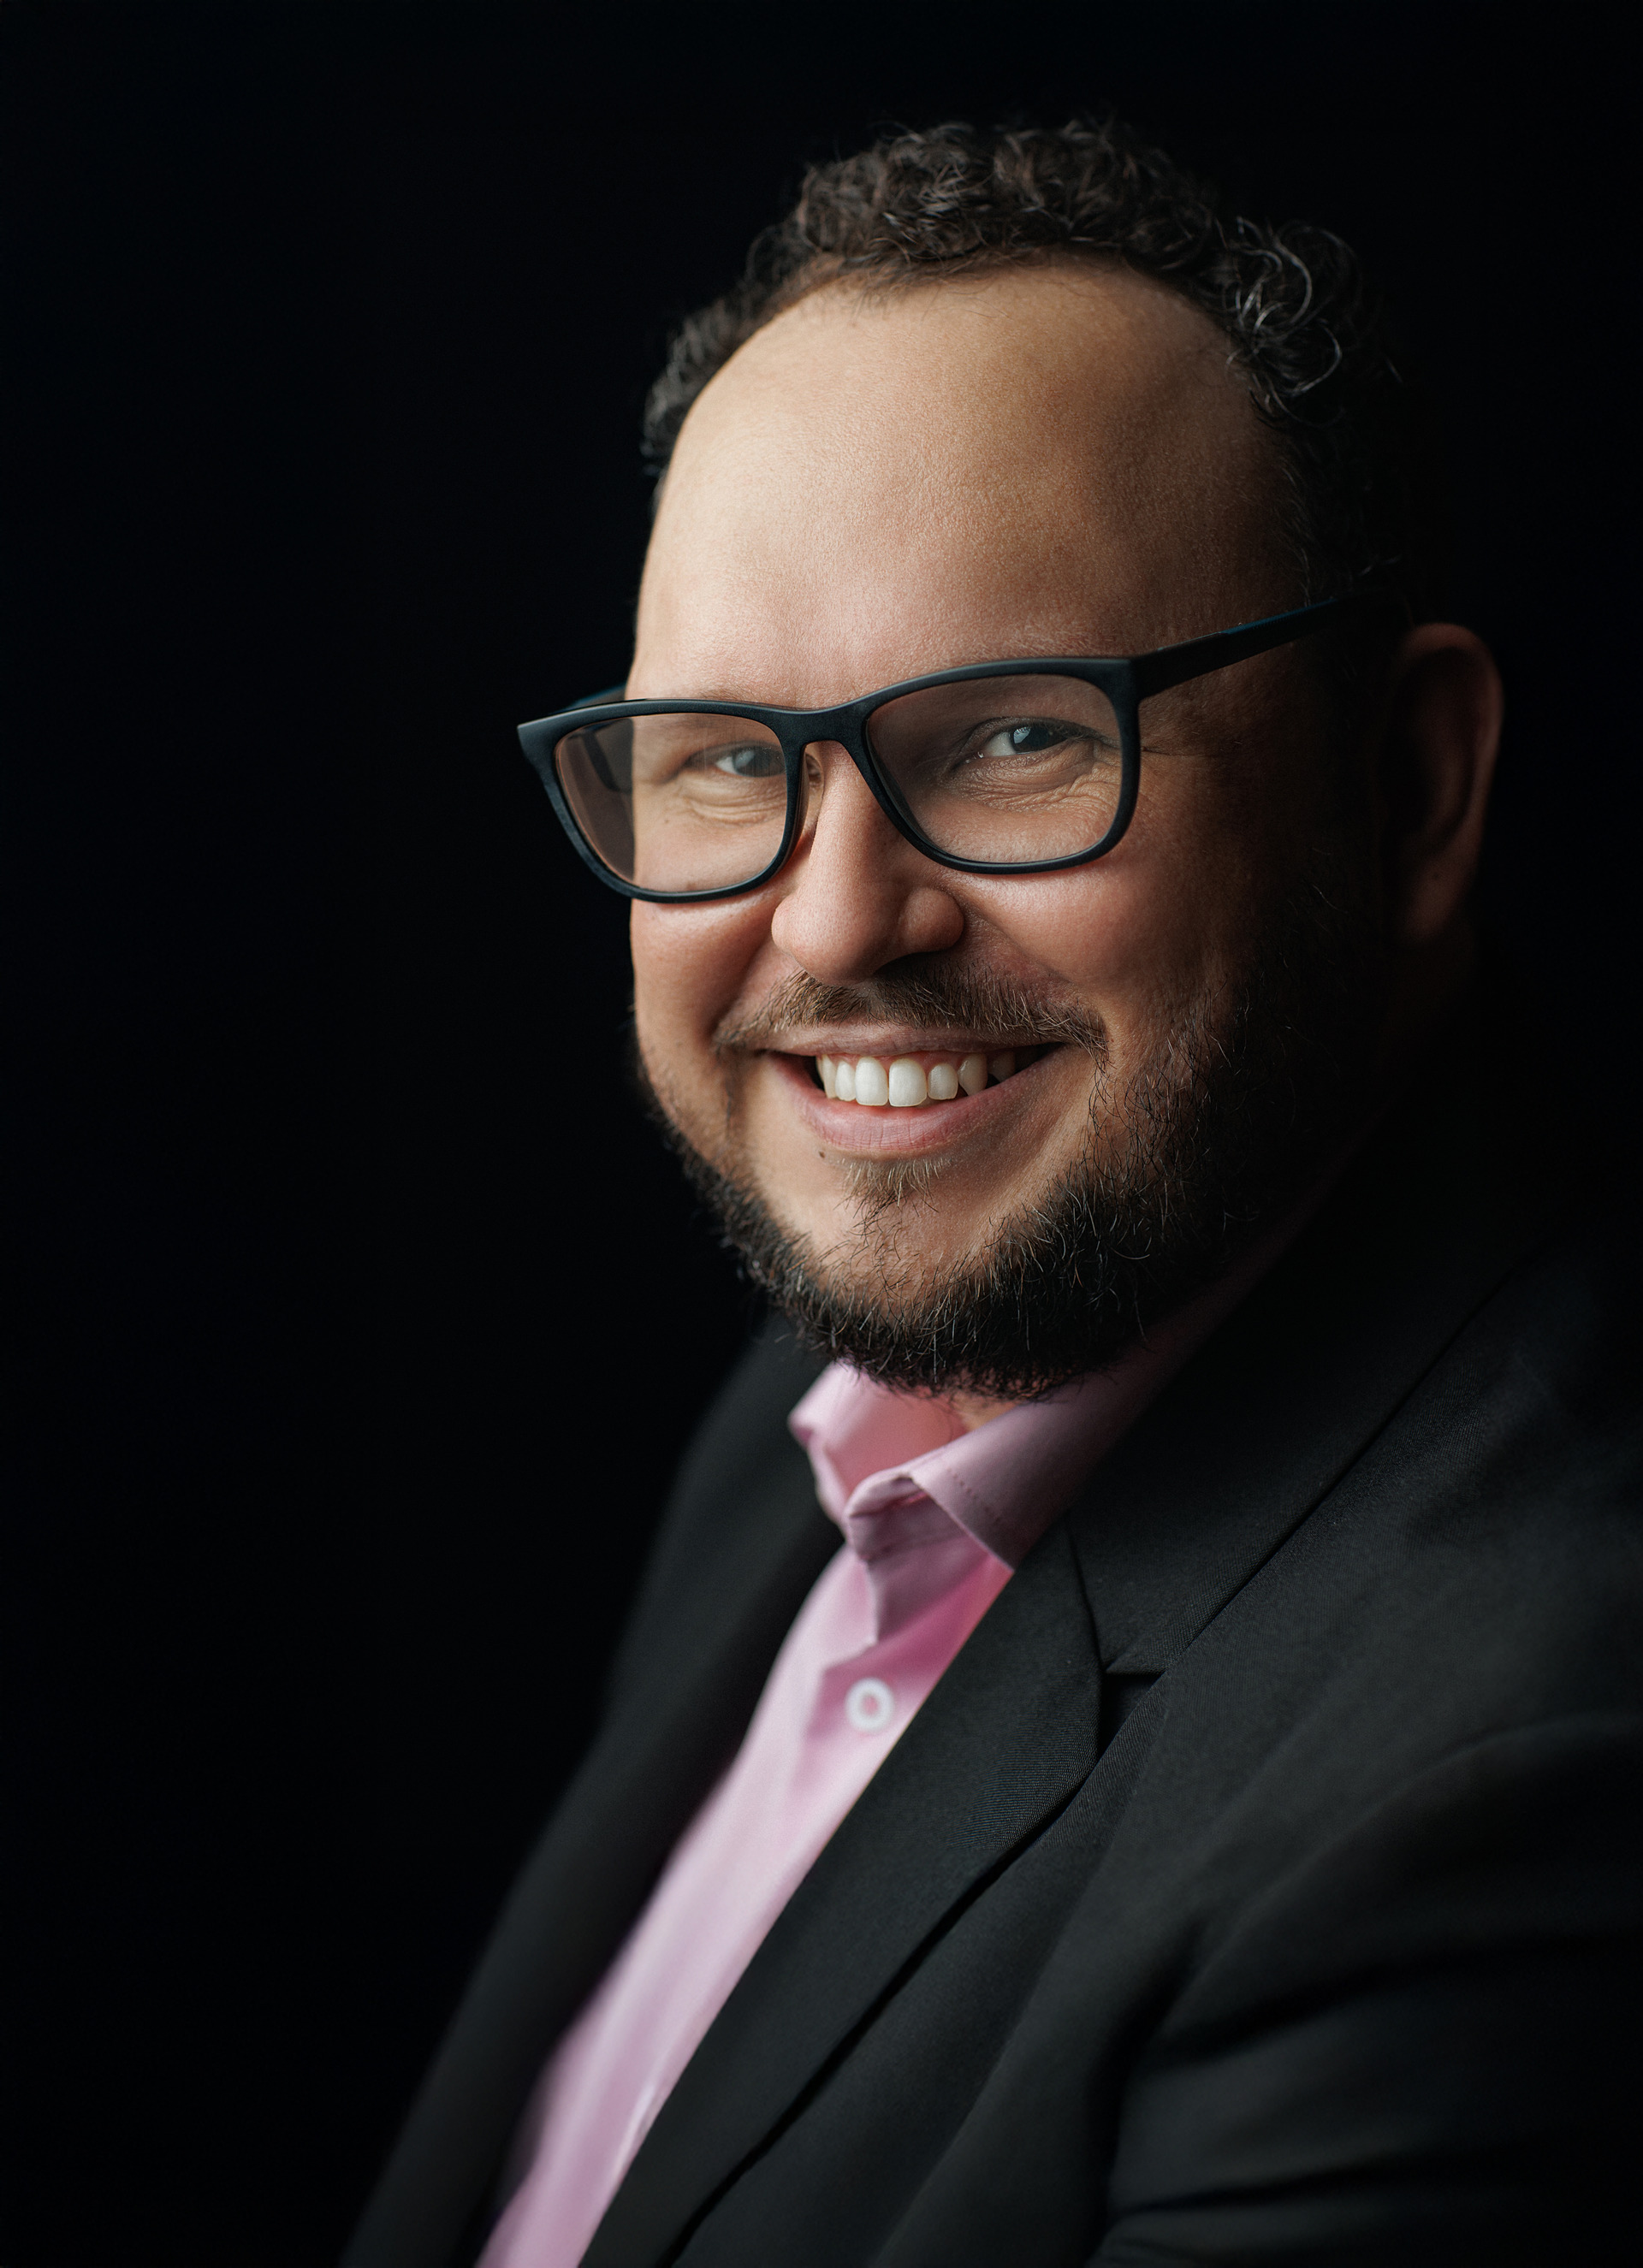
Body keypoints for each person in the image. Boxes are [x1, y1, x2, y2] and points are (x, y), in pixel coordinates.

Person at [344, 119, 1641, 2267]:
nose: (837, 920)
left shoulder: (1514, 1772)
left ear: (1408, 787)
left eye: (1023, 737)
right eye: (725, 757)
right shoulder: (862, 1395)